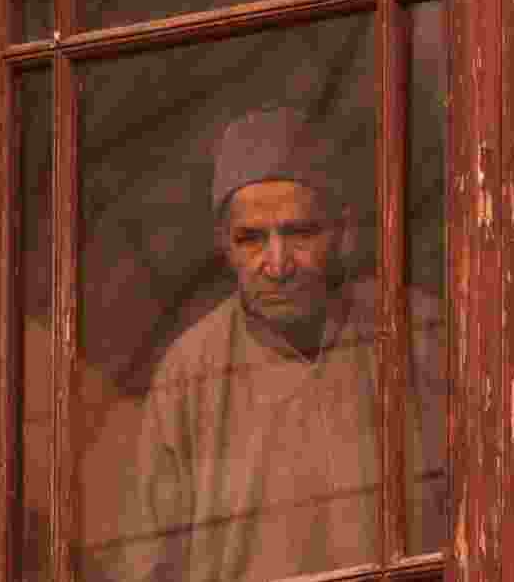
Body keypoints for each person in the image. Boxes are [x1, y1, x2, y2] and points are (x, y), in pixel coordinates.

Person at [130, 107, 444, 581]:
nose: (277, 264)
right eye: (251, 239)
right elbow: (149, 565)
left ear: (341, 229)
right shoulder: (189, 373)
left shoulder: (413, 332)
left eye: (298, 233)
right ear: (225, 245)